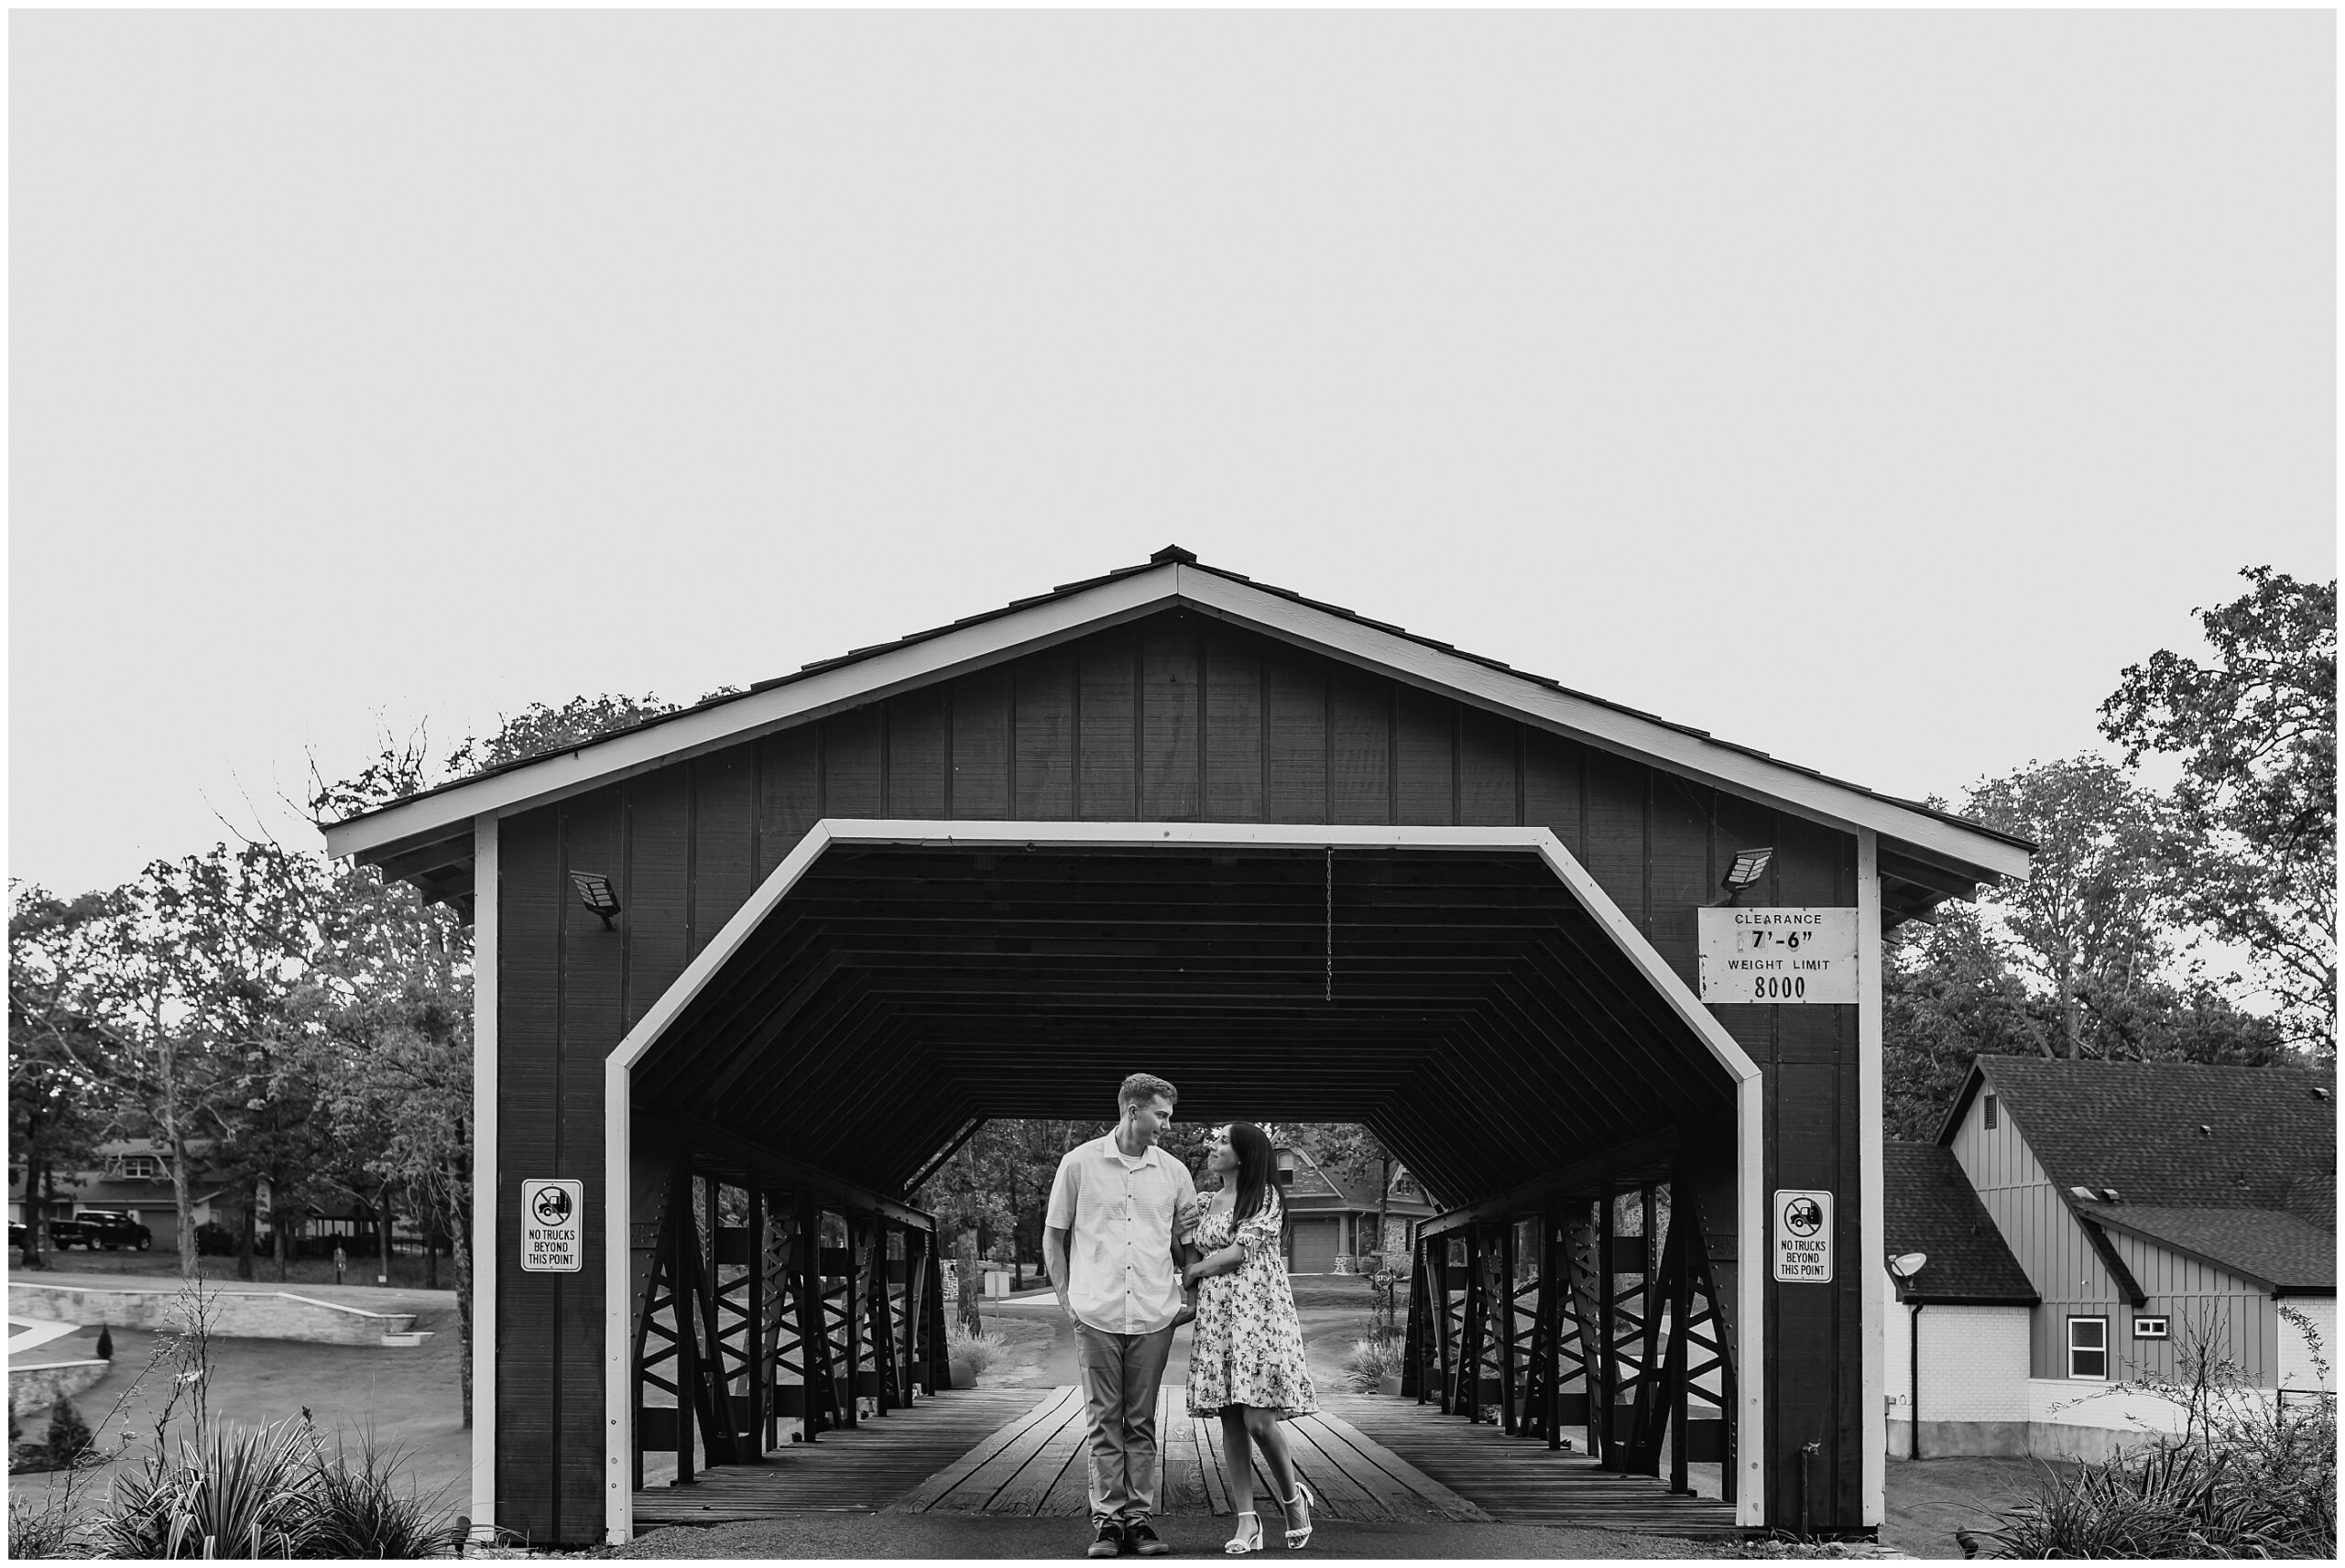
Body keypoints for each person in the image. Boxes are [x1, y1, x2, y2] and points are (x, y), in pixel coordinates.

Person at [1045, 1073, 1200, 1559]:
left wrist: (1189, 1297)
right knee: (1103, 1421)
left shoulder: (1175, 1173)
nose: (1167, 1126)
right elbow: (1054, 1235)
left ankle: (1139, 1521)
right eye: (1161, 1115)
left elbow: (1188, 1245)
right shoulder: (1078, 1164)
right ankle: (1108, 1524)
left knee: (1141, 1421)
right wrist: (1066, 1299)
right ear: (1133, 1111)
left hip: (1154, 1314)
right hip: (1097, 1311)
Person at [1183, 1122, 1318, 1554]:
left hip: (1258, 1316)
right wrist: (1180, 1237)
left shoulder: (1264, 1197)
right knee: (1229, 1417)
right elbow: (1186, 1250)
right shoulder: (1204, 1203)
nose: (1214, 1145)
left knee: (1259, 1419)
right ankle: (1247, 1521)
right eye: (1216, 1139)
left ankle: (1292, 1500)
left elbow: (1239, 1253)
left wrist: (1197, 1269)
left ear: (1244, 1153)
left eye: (1223, 1141)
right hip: (1218, 1318)